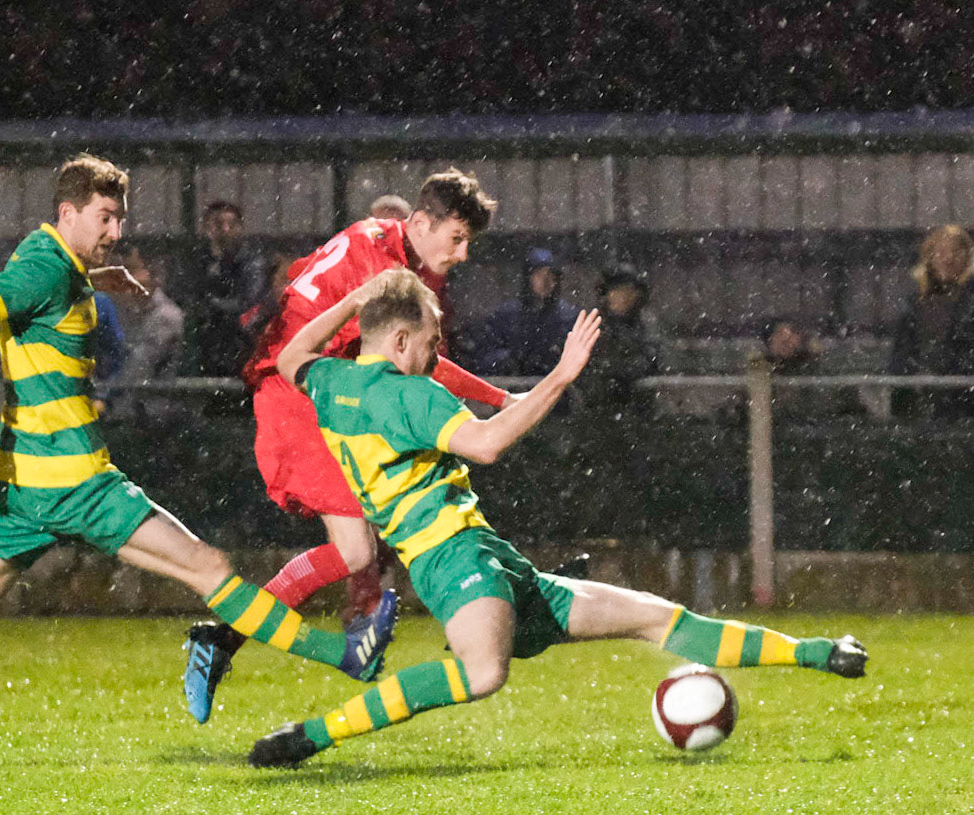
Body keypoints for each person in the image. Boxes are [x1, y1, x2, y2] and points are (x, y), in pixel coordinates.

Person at [0, 155, 397, 755]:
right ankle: (343, 653)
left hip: (19, 485)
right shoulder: (45, 269)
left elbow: (35, 296)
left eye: (120, 218)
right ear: (68, 212)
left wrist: (99, 277)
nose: (116, 231)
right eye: (106, 217)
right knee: (209, 568)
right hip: (75, 480)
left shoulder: (50, 260)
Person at [248, 269, 869, 768]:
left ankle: (821, 654)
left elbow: (289, 355)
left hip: (490, 558)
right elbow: (488, 444)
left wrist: (357, 298)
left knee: (658, 617)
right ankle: (312, 735)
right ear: (402, 339)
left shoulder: (330, 381)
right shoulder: (410, 394)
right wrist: (562, 376)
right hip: (452, 560)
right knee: (484, 673)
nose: (436, 358)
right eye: (432, 344)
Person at [183, 168, 520, 724]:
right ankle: (226, 641)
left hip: (314, 383)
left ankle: (234, 640)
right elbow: (421, 361)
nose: (462, 253)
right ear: (418, 223)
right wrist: (500, 401)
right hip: (293, 391)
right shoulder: (388, 271)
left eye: (468, 242)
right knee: (361, 547)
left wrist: (495, 399)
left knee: (370, 534)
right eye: (456, 239)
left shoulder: (381, 245)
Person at [173, 201, 267, 377]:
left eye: (232, 225)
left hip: (238, 347)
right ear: (207, 228)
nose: (225, 230)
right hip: (204, 349)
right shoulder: (197, 259)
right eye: (218, 224)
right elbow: (185, 294)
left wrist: (212, 304)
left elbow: (247, 303)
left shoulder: (250, 262)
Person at [890, 224, 974, 417]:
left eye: (956, 252)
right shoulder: (913, 304)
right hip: (924, 402)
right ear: (930, 257)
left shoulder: (969, 300)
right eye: (942, 251)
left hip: (963, 401)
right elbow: (901, 354)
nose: (949, 258)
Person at [463, 247, 581, 377]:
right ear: (528, 279)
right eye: (539, 275)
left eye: (551, 276)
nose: (545, 282)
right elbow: (484, 358)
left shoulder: (568, 316)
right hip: (513, 388)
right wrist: (510, 359)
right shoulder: (507, 315)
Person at [106, 247, 185, 423]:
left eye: (131, 270)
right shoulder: (123, 310)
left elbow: (138, 366)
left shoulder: (166, 316)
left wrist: (106, 393)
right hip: (123, 410)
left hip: (152, 416)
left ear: (153, 276)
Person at [575, 262, 664, 416]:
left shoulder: (647, 324)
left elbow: (651, 359)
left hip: (640, 408)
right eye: (617, 291)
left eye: (629, 291)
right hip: (598, 409)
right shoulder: (594, 324)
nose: (624, 297)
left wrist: (623, 372)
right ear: (607, 294)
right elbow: (587, 367)